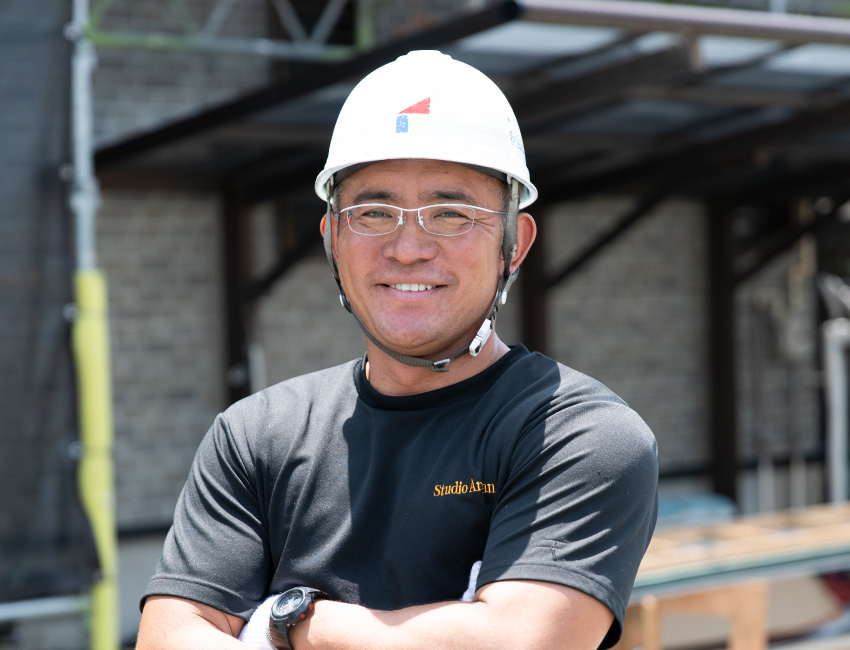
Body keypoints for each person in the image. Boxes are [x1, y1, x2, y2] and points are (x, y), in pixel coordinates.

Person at [137, 50, 658, 650]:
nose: (408, 248)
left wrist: (291, 621)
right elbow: (167, 638)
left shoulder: (578, 435)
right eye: (375, 213)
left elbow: (517, 643)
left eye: (451, 214)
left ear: (514, 244)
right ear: (333, 238)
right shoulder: (258, 436)